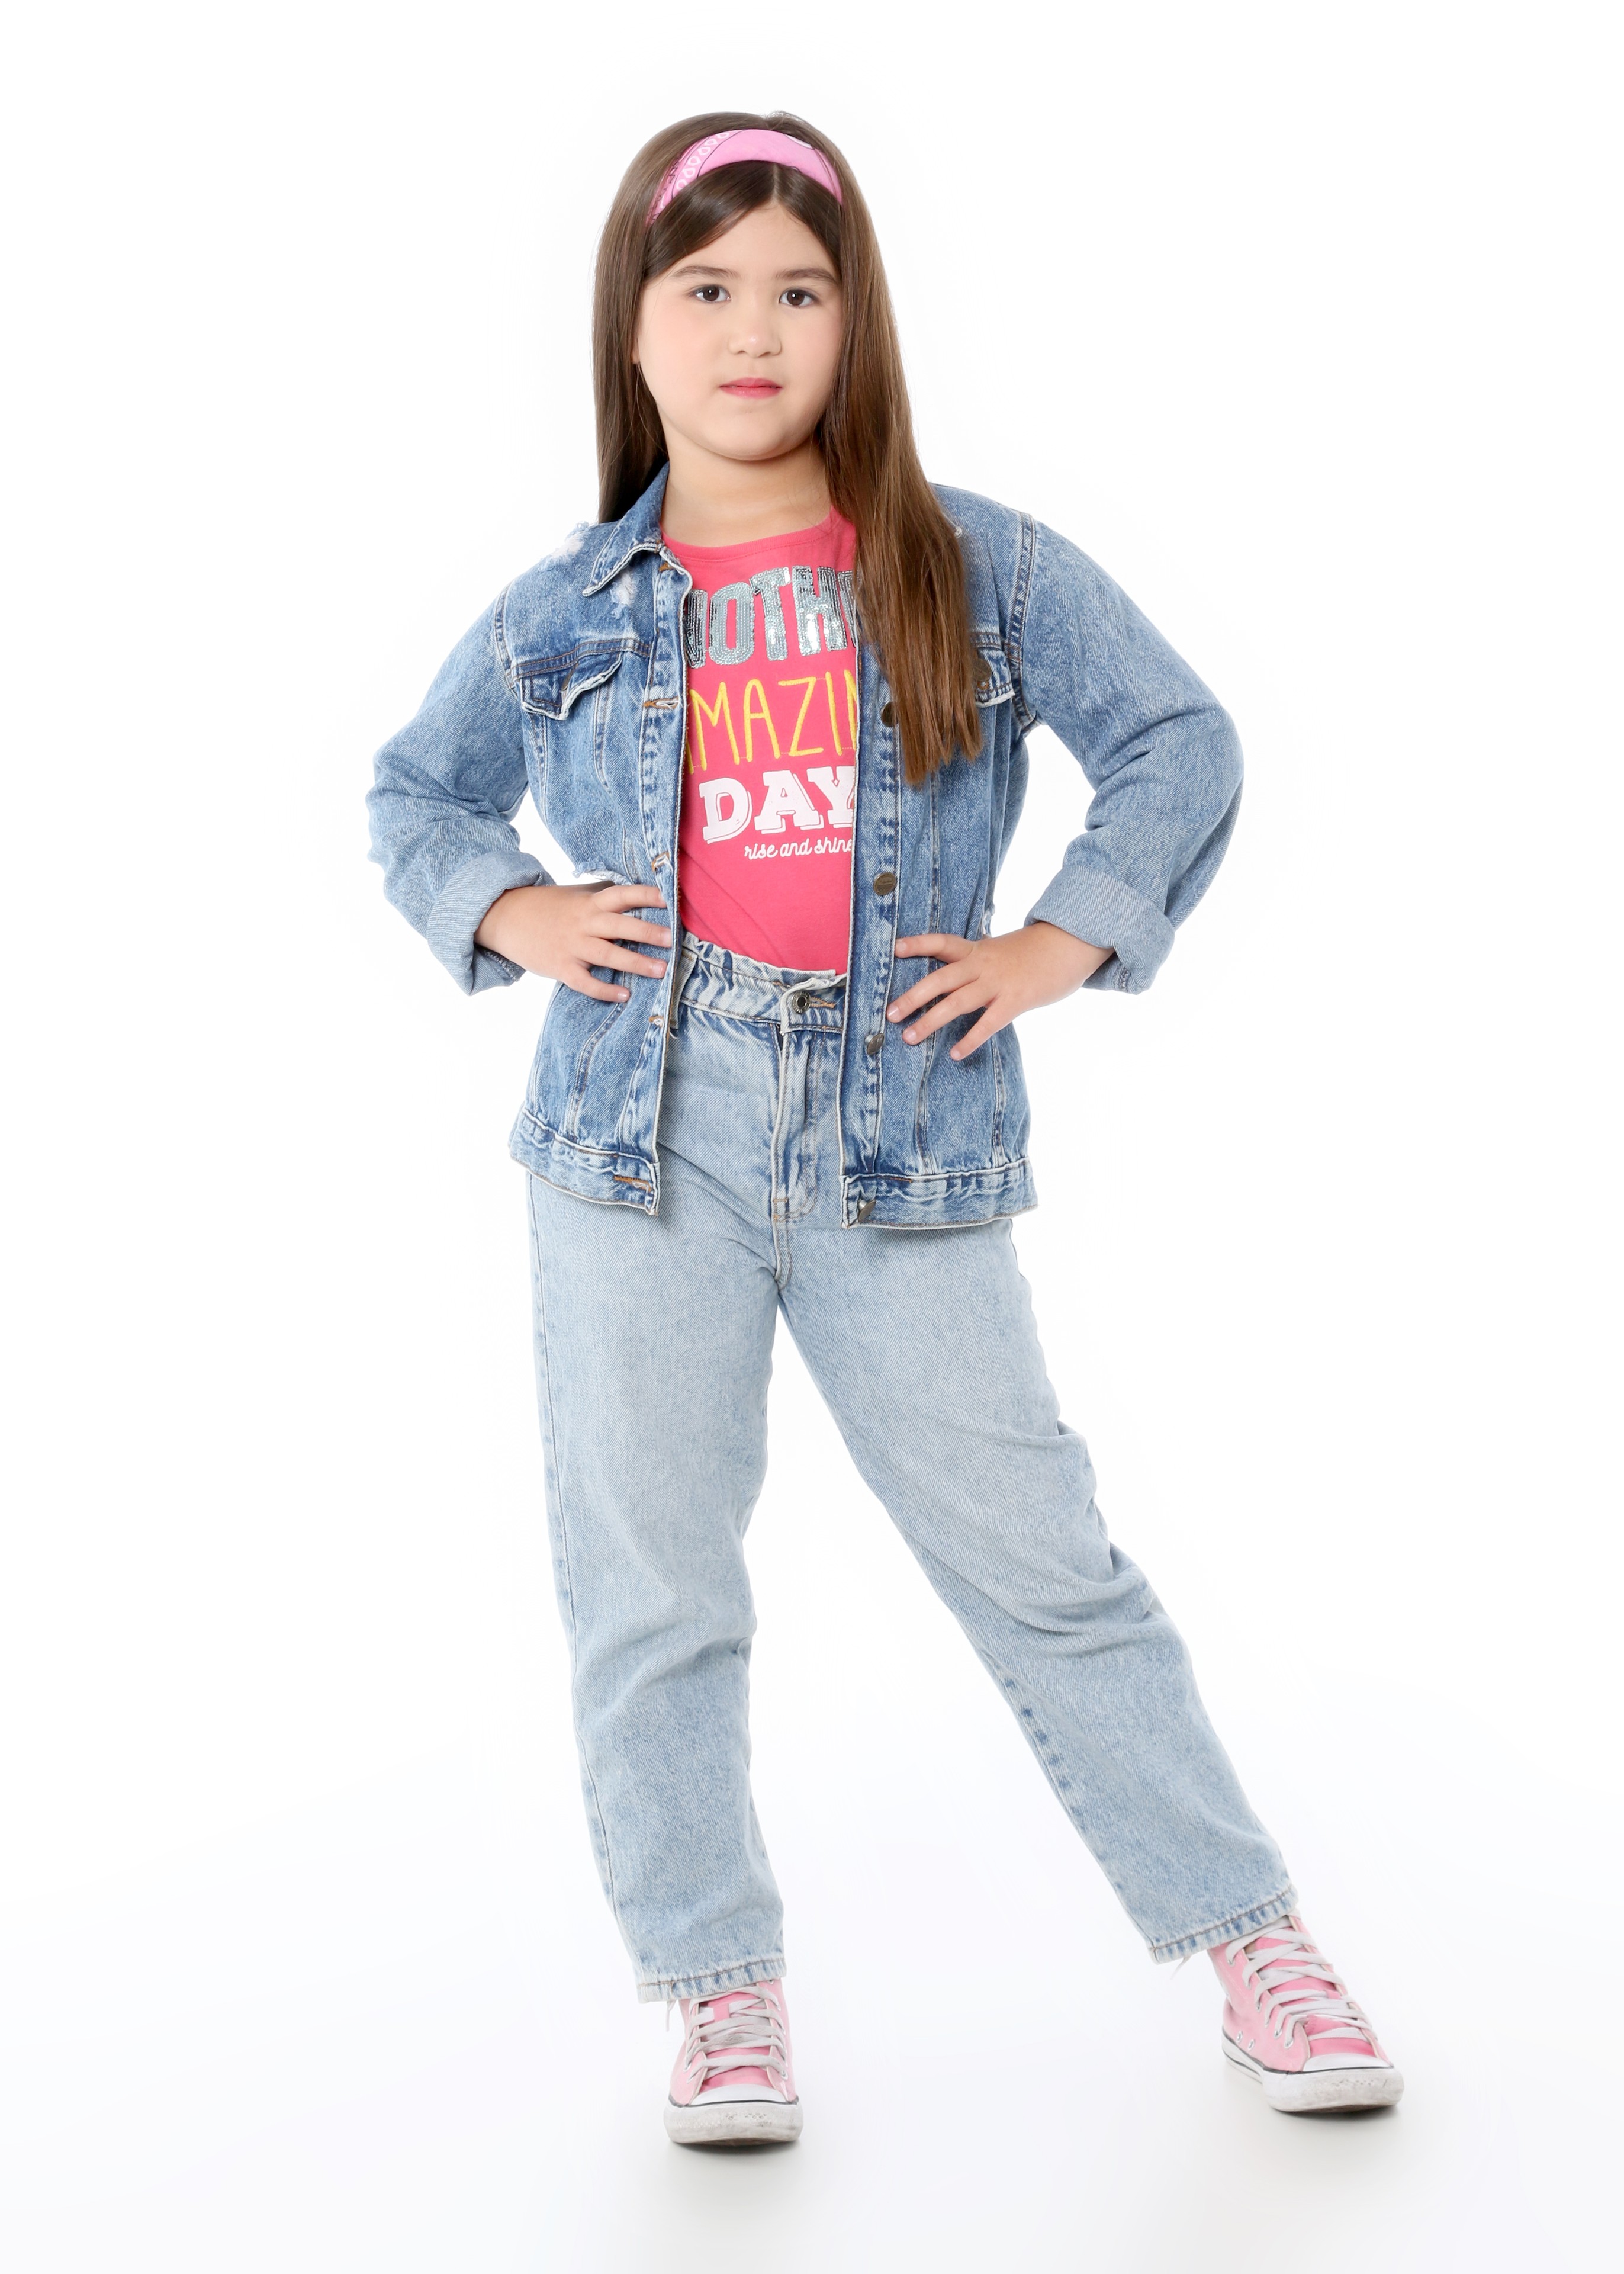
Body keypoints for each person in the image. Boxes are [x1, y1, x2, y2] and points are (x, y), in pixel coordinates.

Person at [366, 112, 1401, 2144]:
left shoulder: (972, 562)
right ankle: (721, 1992)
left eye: (800, 291)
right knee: (657, 1583)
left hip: (896, 1129)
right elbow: (414, 792)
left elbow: (1180, 741)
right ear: (633, 328)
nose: (753, 331)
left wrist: (1061, 944)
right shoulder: (563, 606)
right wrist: (505, 908)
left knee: (1043, 1559)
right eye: (706, 289)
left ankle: (1249, 1938)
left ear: (859, 326)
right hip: (637, 1139)